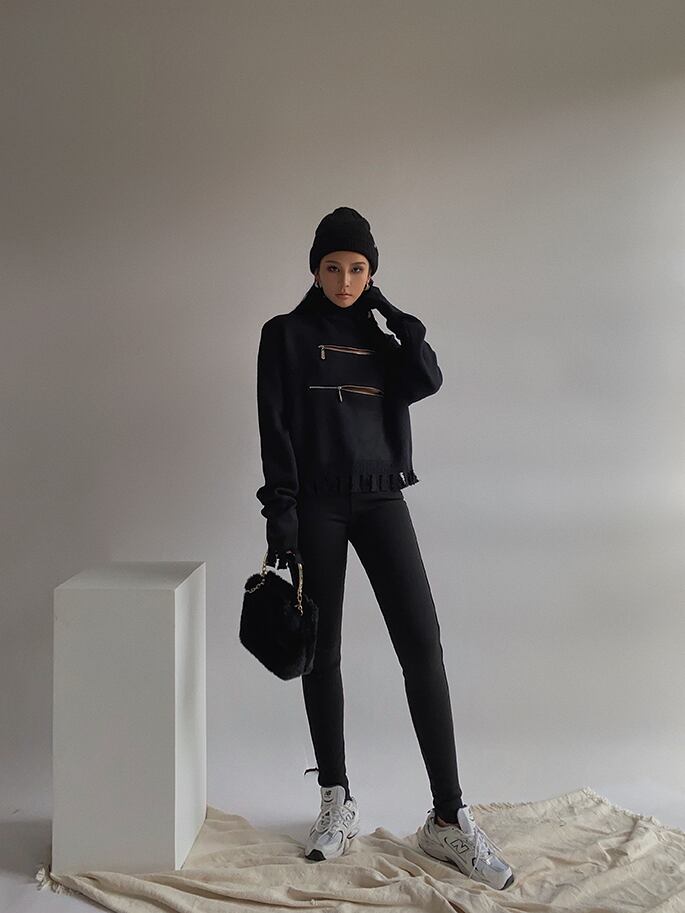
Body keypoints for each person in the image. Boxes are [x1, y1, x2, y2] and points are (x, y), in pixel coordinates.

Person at [255, 206, 515, 890]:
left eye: (357, 269)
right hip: (316, 504)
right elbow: (274, 427)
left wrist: (394, 316)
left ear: (371, 273)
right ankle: (335, 798)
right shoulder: (283, 335)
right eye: (333, 267)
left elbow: (427, 377)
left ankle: (448, 818)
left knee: (422, 646)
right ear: (314, 268)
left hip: (381, 500)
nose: (344, 281)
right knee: (324, 651)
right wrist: (281, 514)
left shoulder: (381, 339)